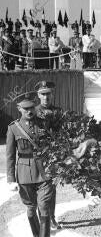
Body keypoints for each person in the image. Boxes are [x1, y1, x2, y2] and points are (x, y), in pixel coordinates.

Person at [6, 92, 53, 237]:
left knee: (44, 206)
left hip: (44, 171)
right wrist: (11, 179)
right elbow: (10, 155)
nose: (29, 111)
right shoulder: (13, 128)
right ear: (19, 108)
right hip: (24, 174)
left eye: (32, 107)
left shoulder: (44, 123)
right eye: (25, 108)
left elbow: (53, 146)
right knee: (31, 208)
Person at [35, 81, 62, 230]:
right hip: (37, 157)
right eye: (43, 94)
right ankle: (42, 219)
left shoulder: (58, 111)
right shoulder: (33, 112)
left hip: (53, 156)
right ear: (38, 95)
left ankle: (51, 217)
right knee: (39, 189)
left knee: (51, 189)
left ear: (52, 94)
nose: (46, 97)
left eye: (48, 93)